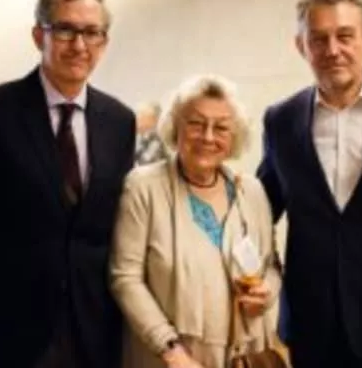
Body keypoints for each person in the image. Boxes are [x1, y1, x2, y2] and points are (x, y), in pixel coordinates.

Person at [0, 0, 136, 367]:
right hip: (8, 329)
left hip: (93, 331)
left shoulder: (119, 121)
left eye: (91, 32)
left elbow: (115, 229)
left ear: (104, 42)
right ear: (38, 36)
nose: (79, 45)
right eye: (65, 30)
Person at [256, 0, 362, 368]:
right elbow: (258, 211)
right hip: (312, 323)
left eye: (345, 36)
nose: (332, 50)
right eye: (318, 39)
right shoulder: (281, 120)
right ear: (300, 46)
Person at [110, 74, 283, 368]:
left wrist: (266, 293)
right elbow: (125, 277)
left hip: (243, 357)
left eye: (221, 127)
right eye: (196, 123)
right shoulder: (143, 188)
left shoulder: (251, 191)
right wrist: (170, 350)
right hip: (168, 358)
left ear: (234, 137)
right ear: (175, 127)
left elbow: (272, 265)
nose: (208, 137)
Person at [134, 101, 169, 166]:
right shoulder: (144, 138)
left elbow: (145, 163)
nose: (135, 121)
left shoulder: (157, 139)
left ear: (153, 120)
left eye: (140, 117)